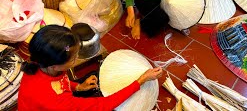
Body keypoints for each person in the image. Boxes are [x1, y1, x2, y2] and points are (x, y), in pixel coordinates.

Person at [18, 25, 163, 111]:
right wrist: (141, 80)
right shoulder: (54, 101)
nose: (77, 59)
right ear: (55, 65)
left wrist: (78, 87)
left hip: (59, 100)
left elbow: (60, 83)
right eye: (74, 58)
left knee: (95, 78)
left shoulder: (41, 61)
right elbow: (104, 104)